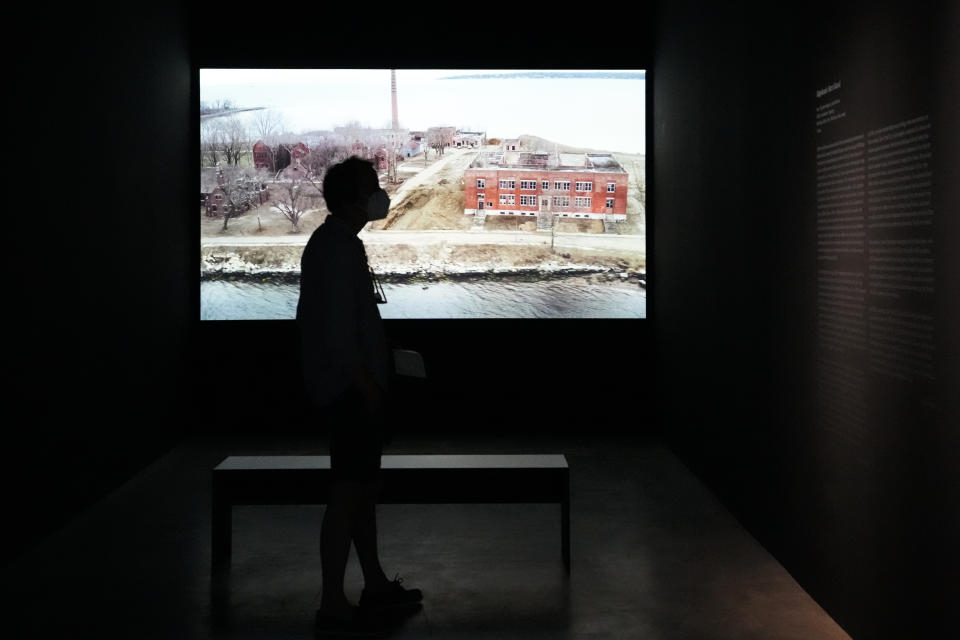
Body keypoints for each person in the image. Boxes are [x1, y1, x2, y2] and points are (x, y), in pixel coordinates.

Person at [297, 157, 422, 638]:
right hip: (350, 394)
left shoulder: (340, 244)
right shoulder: (337, 250)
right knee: (348, 496)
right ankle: (332, 601)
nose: (380, 195)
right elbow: (338, 338)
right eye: (372, 188)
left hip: (354, 390)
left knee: (362, 492)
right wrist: (369, 390)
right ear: (352, 199)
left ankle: (372, 582)